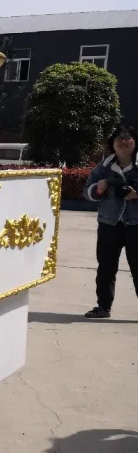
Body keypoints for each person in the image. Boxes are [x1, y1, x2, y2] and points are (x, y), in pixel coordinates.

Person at [83, 125, 138, 318]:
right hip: (109, 223)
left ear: (135, 141)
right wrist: (98, 190)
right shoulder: (104, 166)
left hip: (136, 224)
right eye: (119, 139)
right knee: (106, 267)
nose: (123, 142)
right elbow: (87, 191)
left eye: (128, 138)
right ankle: (103, 307)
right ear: (112, 144)